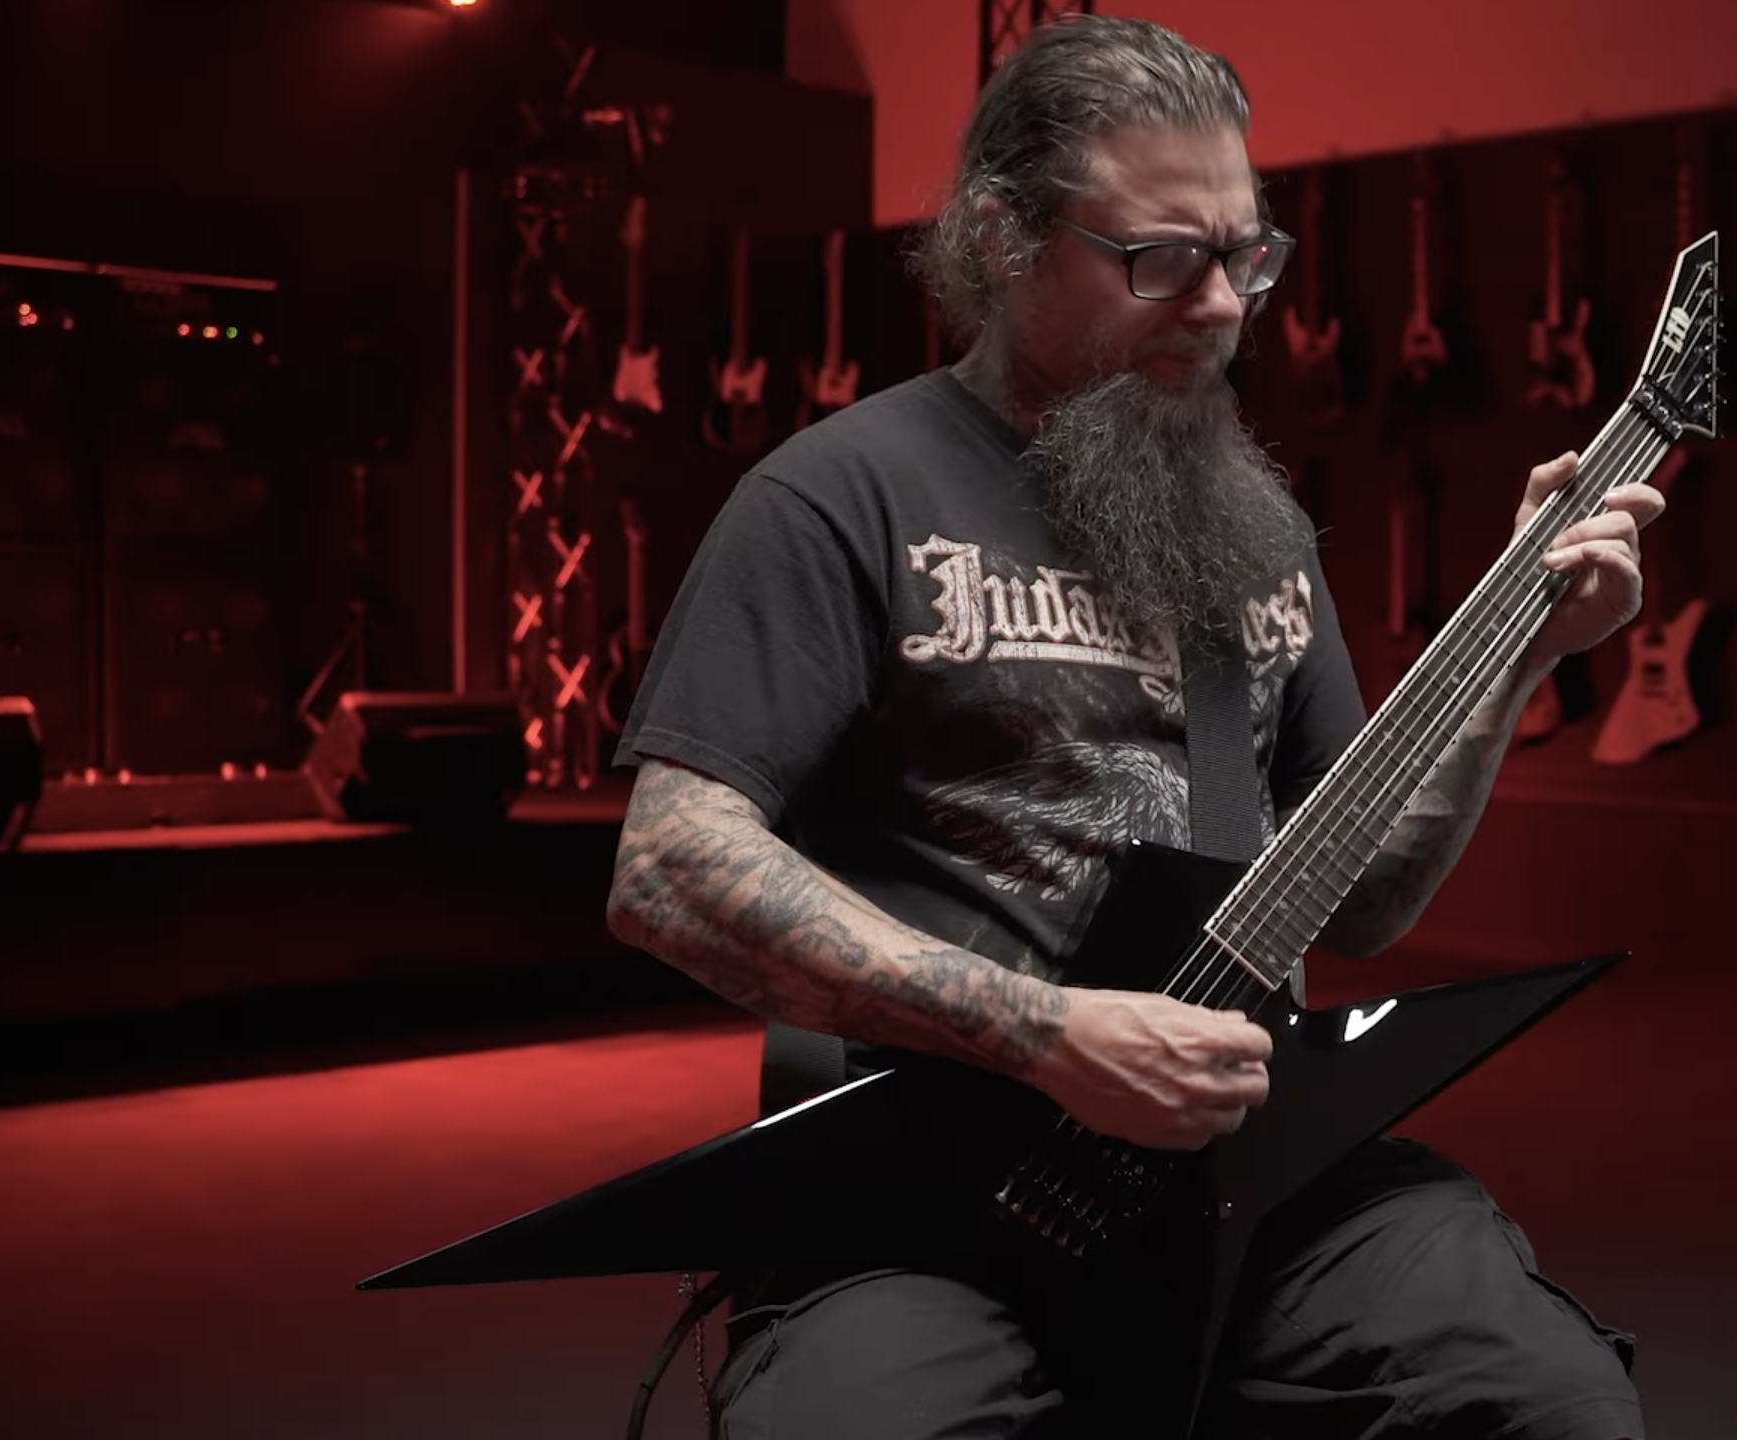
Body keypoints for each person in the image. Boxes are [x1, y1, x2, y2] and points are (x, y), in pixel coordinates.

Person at [605, 16, 1662, 1439]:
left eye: (1246, 256)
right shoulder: (836, 497)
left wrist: (1517, 653)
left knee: (1546, 1400)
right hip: (921, 1190)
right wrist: (1047, 1034)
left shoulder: (1255, 525)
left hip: (1234, 1167)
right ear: (1004, 239)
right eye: (1162, 258)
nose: (1222, 306)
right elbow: (669, 871)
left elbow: (1366, 897)